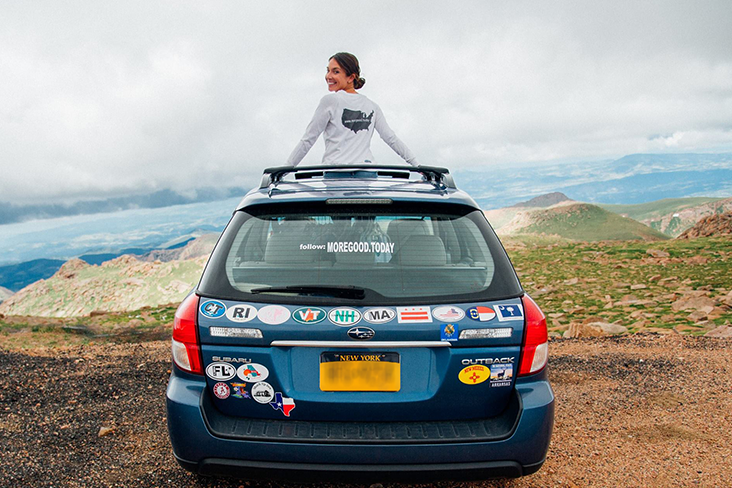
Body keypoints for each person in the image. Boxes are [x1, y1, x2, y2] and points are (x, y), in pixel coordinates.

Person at [287, 52, 419, 167]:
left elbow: (308, 139)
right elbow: (391, 138)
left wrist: (284, 169)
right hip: (366, 173)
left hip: (337, 173)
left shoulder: (330, 101)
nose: (328, 76)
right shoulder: (372, 106)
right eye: (328, 70)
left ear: (351, 77)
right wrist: (417, 165)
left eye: (336, 71)